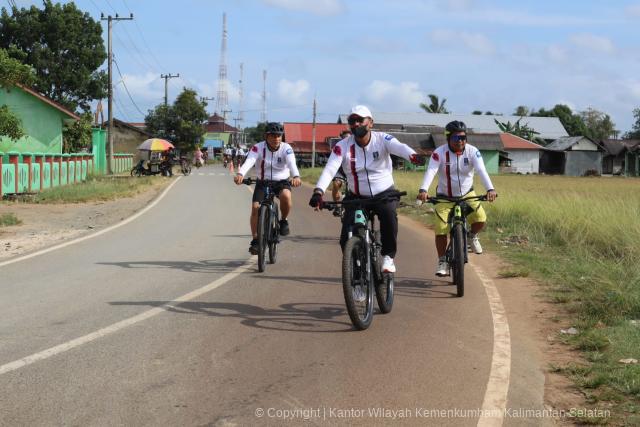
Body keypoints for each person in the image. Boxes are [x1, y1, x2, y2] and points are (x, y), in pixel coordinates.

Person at [309, 105, 421, 273]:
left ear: (370, 123)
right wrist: (318, 192)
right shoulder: (342, 146)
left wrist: (412, 155)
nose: (356, 124)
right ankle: (356, 274)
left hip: (384, 193)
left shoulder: (383, 139)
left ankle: (389, 257)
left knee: (389, 216)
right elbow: (330, 169)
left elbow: (400, 147)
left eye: (360, 120)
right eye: (352, 121)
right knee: (345, 238)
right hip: (356, 196)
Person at [416, 120, 497, 276]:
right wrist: (423, 190)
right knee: (440, 229)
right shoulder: (438, 153)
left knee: (481, 218)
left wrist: (490, 189)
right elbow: (431, 172)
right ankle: (442, 261)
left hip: (467, 194)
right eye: (455, 138)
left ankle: (471, 236)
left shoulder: (473, 152)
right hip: (444, 197)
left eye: (463, 137)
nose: (460, 141)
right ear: (448, 138)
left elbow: (481, 170)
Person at [234, 122, 302, 254]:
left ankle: (283, 220)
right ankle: (255, 240)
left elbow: (292, 163)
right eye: (273, 136)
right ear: (266, 136)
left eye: (279, 136)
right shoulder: (257, 148)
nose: (276, 138)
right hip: (263, 182)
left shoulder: (286, 148)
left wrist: (296, 176)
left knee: (286, 196)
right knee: (255, 207)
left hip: (281, 181)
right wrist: (240, 173)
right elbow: (250, 161)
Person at [330, 130, 352, 217]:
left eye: (349, 138)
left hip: (352, 173)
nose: (347, 140)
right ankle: (336, 206)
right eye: (344, 138)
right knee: (336, 184)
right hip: (341, 172)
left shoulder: (357, 147)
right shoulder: (338, 147)